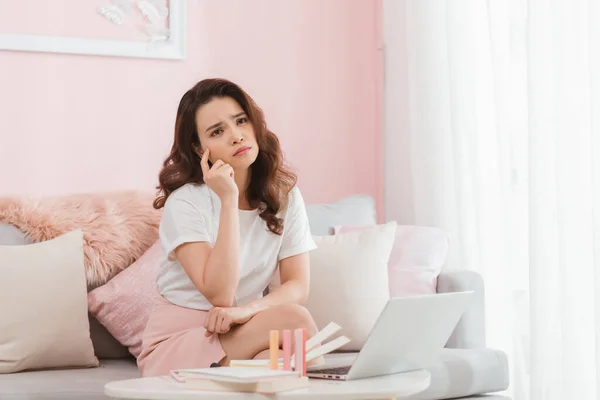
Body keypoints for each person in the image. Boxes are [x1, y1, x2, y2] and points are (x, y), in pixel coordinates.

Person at [137, 78, 321, 377]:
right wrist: (228, 199)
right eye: (217, 131)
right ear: (199, 148)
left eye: (241, 121)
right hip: (180, 345)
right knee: (295, 322)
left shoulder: (284, 194)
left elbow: (297, 285)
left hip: (243, 329)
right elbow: (220, 295)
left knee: (281, 365)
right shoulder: (186, 203)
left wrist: (246, 311)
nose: (236, 136)